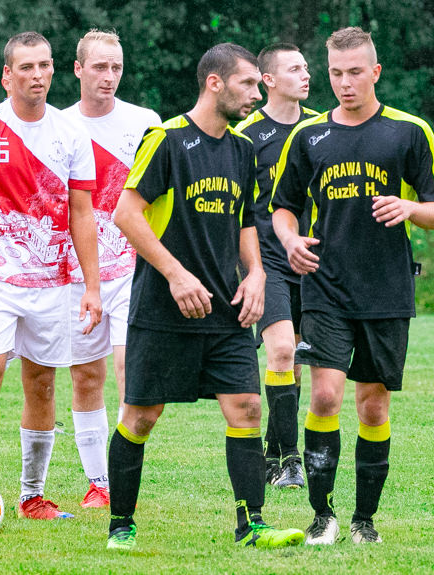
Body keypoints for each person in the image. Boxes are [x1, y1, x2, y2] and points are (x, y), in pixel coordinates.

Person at [105, 42, 304, 551]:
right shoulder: (166, 139)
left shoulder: (242, 148)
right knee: (141, 418)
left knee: (246, 408)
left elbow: (245, 222)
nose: (257, 93)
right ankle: (121, 524)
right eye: (247, 83)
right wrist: (175, 275)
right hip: (163, 309)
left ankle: (251, 525)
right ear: (214, 83)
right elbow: (126, 214)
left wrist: (256, 275)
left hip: (226, 310)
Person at [271, 26, 434, 545]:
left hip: (387, 290)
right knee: (324, 395)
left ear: (375, 72)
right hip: (326, 287)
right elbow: (283, 206)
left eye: (354, 73)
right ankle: (322, 516)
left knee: (372, 403)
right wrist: (290, 241)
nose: (344, 84)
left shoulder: (409, 131)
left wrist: (412, 207)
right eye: (335, 74)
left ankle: (363, 520)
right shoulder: (309, 137)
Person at [0, 31, 102, 521]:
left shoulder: (72, 136)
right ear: (7, 75)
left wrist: (91, 287)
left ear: (54, 70)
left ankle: (32, 496)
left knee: (41, 385)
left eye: (45, 65)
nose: (38, 75)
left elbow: (82, 214)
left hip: (52, 283)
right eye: (26, 67)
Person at [62, 29, 162, 509]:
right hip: (81, 273)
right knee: (86, 376)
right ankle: (98, 482)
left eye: (116, 67)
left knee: (129, 369)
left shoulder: (145, 122)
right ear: (78, 69)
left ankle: (122, 479)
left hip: (133, 269)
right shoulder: (57, 126)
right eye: (99, 67)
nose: (109, 77)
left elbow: (158, 198)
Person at [234, 43, 318, 490]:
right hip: (267, 262)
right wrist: (246, 268)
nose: (305, 75)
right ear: (268, 80)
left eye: (305, 67)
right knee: (282, 350)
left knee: (296, 361)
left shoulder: (323, 129)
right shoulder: (246, 135)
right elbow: (236, 208)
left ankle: (271, 451)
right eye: (294, 69)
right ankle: (289, 459)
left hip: (312, 260)